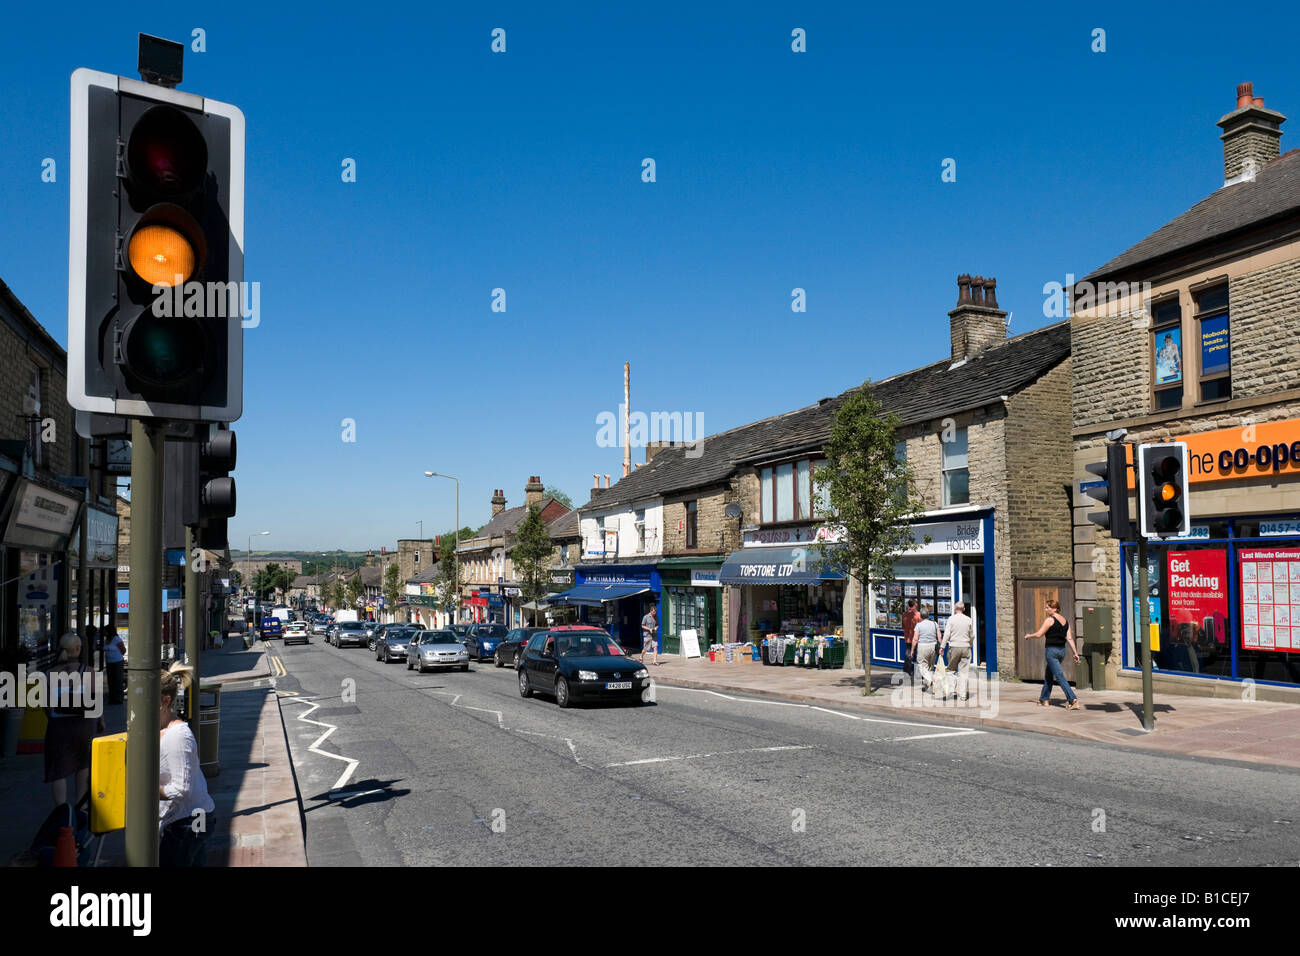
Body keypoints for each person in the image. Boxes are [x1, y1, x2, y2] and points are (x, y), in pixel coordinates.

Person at [158, 669, 215, 866]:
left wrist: (148, 793)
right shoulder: (158, 730)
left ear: (165, 701)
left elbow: (182, 788)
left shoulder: (178, 736)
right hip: (183, 819)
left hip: (191, 821)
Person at [45, 632, 105, 808]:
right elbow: (96, 700)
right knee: (82, 765)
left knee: (58, 770)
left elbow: (46, 704)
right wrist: (101, 721)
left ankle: (62, 812)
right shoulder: (87, 671)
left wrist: (53, 717)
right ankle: (81, 807)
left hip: (58, 726)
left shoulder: (49, 673)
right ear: (77, 649)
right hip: (82, 724)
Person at [1026, 598, 1081, 709]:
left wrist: (1029, 635)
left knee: (1059, 676)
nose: (1046, 609)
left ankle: (1072, 700)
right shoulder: (1066, 621)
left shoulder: (1049, 620)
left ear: (1055, 609)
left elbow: (1039, 634)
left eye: (1048, 608)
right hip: (1062, 651)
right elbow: (1069, 638)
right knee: (1049, 675)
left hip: (1051, 651)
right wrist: (1076, 653)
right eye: (1046, 607)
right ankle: (1044, 699)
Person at [939, 602, 975, 701]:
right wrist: (970, 644)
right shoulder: (968, 620)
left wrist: (942, 647)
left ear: (955, 609)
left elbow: (946, 634)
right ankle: (963, 695)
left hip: (954, 646)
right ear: (963, 609)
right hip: (965, 647)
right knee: (963, 672)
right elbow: (972, 635)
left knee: (951, 670)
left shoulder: (951, 619)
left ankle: (952, 690)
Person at [911, 605, 940, 690]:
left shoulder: (919, 625)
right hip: (933, 647)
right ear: (928, 615)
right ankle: (929, 685)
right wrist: (941, 647)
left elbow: (915, 639)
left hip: (923, 647)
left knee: (922, 665)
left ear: (920, 616)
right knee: (930, 666)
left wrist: (912, 650)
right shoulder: (935, 623)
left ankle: (929, 680)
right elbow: (939, 636)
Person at [104, 628, 127, 705]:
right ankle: (112, 698)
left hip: (117, 662)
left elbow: (123, 650)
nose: (105, 632)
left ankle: (119, 698)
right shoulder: (106, 639)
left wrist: (116, 655)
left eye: (106, 631)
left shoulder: (116, 639)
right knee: (111, 681)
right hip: (109, 662)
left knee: (118, 680)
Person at [901, 598, 920, 673]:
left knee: (908, 654)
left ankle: (907, 670)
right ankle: (918, 671)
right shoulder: (918, 615)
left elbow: (903, 626)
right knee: (918, 655)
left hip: (908, 638)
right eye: (916, 603)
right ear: (915, 605)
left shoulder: (904, 615)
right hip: (916, 638)